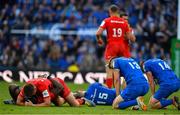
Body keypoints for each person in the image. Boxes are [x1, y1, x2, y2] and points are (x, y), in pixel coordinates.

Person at [96, 5, 136, 88]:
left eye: (127, 19)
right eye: (125, 19)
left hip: (113, 47)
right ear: (119, 14)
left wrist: (99, 39)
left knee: (111, 72)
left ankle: (110, 93)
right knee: (122, 73)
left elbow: (98, 33)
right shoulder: (124, 23)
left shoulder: (107, 21)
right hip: (123, 49)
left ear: (110, 12)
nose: (126, 20)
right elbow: (131, 39)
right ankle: (121, 94)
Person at [16, 75, 95, 107]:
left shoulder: (42, 86)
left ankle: (82, 100)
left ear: (35, 89)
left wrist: (32, 105)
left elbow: (47, 103)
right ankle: (75, 94)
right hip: (50, 89)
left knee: (75, 105)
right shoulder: (25, 87)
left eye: (34, 94)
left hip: (59, 85)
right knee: (59, 103)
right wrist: (25, 104)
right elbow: (18, 101)